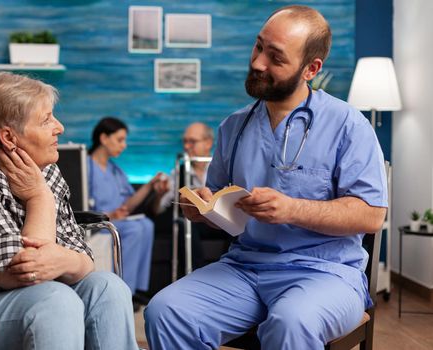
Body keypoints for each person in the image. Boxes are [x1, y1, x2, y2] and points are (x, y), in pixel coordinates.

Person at [144, 5, 388, 350]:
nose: (258, 62)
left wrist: (292, 209)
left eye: (275, 57)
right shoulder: (234, 127)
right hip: (244, 267)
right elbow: (222, 208)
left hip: (326, 273)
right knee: (166, 311)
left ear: (311, 69)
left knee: (291, 322)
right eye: (259, 47)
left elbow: (371, 215)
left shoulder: (349, 126)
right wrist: (204, 209)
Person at [0, 72, 138, 349]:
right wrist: (39, 198)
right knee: (54, 300)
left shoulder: (46, 169)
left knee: (107, 287)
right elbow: (24, 274)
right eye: (46, 120)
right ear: (8, 137)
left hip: (25, 298)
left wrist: (66, 259)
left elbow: (84, 260)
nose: (60, 127)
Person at [87, 116, 166, 300]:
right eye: (120, 140)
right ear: (104, 138)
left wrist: (149, 186)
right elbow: (79, 204)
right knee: (135, 228)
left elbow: (127, 204)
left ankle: (136, 289)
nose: (124, 145)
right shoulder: (86, 166)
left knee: (146, 224)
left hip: (117, 221)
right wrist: (110, 214)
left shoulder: (115, 171)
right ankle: (124, 291)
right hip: (98, 226)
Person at [156, 122, 230, 272]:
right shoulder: (178, 172)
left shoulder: (224, 167)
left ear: (208, 143)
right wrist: (160, 195)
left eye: (192, 141)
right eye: (185, 141)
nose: (187, 146)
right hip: (195, 222)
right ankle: (196, 273)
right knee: (185, 224)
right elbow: (158, 209)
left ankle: (228, 272)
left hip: (222, 220)